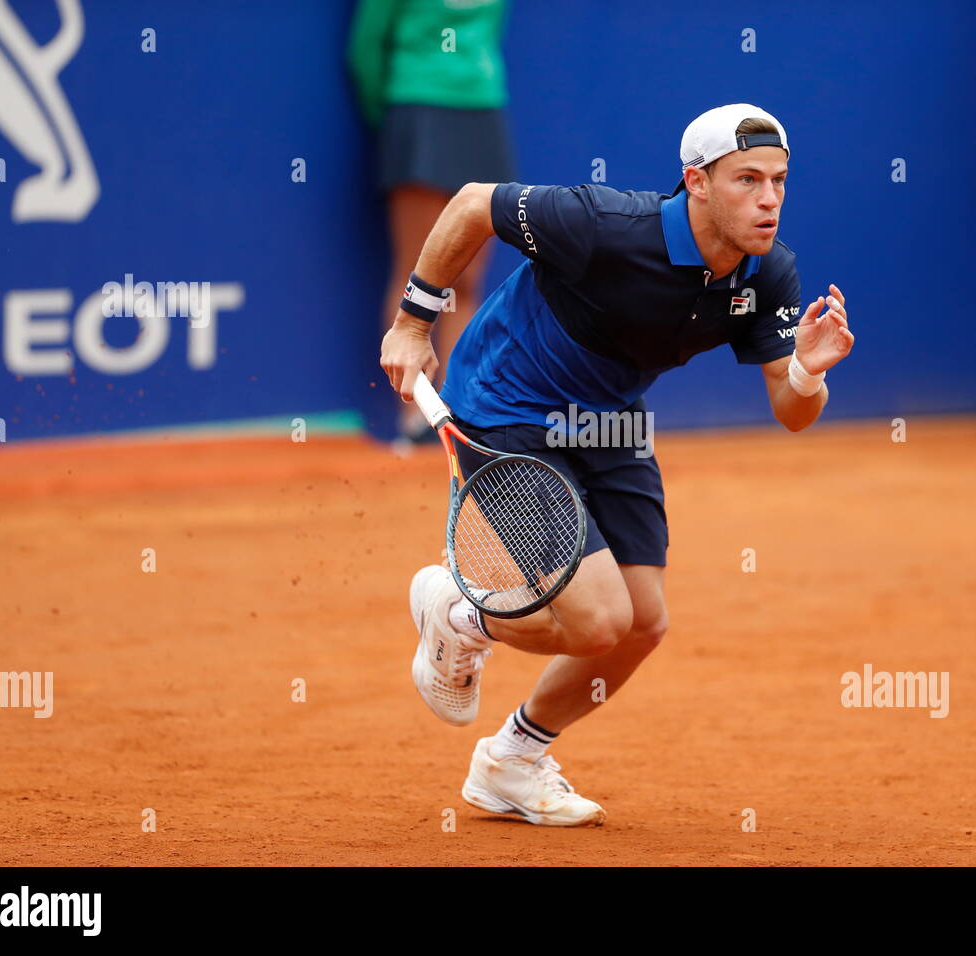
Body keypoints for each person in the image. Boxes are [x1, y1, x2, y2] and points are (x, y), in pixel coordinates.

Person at [379, 104, 855, 826]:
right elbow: (473, 203)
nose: (769, 199)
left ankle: (511, 762)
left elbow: (791, 411)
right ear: (697, 182)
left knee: (643, 624)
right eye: (747, 179)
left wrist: (808, 372)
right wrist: (414, 323)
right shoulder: (604, 224)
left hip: (608, 419)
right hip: (507, 404)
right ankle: (460, 612)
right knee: (600, 620)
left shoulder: (769, 273)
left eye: (779, 181)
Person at [346, 0, 514, 443]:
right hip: (417, 104)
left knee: (467, 281)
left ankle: (461, 414)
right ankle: (414, 419)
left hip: (482, 107)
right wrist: (397, 113)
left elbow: (492, 30)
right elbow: (367, 48)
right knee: (417, 274)